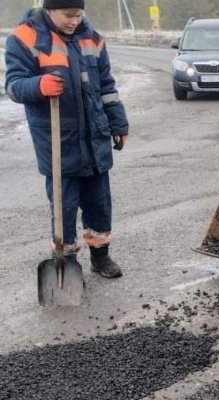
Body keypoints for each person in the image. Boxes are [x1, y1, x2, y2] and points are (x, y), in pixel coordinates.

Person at [4, 0, 129, 279]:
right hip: (57, 140)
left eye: (78, 14)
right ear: (50, 9)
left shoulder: (91, 38)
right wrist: (38, 85)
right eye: (68, 15)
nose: (75, 20)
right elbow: (13, 85)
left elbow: (106, 87)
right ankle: (66, 261)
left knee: (99, 202)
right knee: (64, 206)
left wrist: (118, 123)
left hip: (94, 139)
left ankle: (101, 256)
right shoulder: (26, 38)